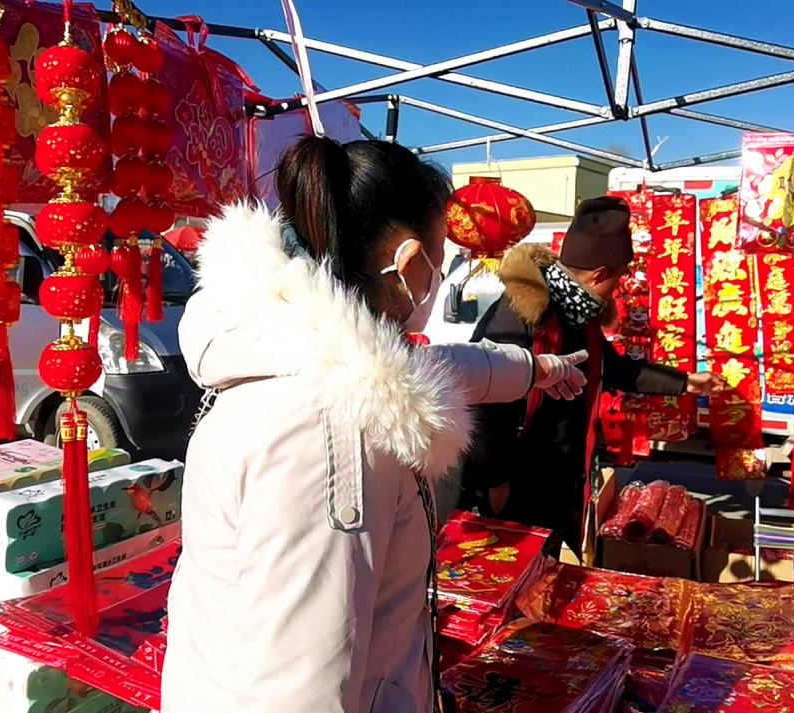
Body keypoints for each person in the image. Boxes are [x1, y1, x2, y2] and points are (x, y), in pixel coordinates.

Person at [162, 136, 587, 713]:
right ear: (409, 262)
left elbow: (435, 366)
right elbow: (298, 691)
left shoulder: (293, 346)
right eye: (440, 256)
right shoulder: (326, 433)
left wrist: (535, 369)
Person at [459, 196, 727, 552]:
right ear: (599, 274)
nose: (617, 288)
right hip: (516, 483)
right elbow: (480, 401)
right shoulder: (520, 314)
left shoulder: (579, 314)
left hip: (560, 480)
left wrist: (684, 383)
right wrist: (494, 481)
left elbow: (612, 368)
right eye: (617, 278)